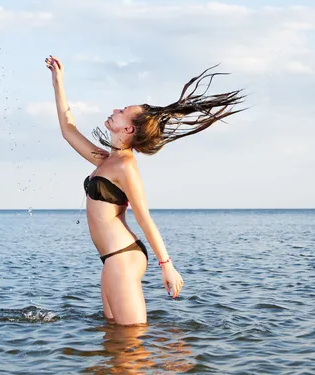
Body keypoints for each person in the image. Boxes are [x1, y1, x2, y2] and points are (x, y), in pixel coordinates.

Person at [45, 55, 246, 326]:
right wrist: (58, 82)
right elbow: (68, 131)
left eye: (121, 110)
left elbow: (144, 218)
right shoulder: (108, 160)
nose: (114, 109)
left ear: (128, 128)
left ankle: (175, 362)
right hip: (111, 260)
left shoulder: (126, 167)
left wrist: (167, 266)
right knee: (115, 343)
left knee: (131, 342)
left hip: (123, 258)